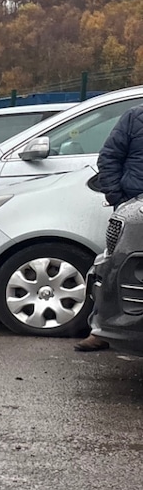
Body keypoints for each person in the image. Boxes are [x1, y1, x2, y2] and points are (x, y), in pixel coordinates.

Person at [77, 105, 143, 351]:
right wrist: (119, 198)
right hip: (133, 209)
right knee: (115, 268)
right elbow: (109, 157)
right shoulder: (135, 117)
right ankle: (102, 330)